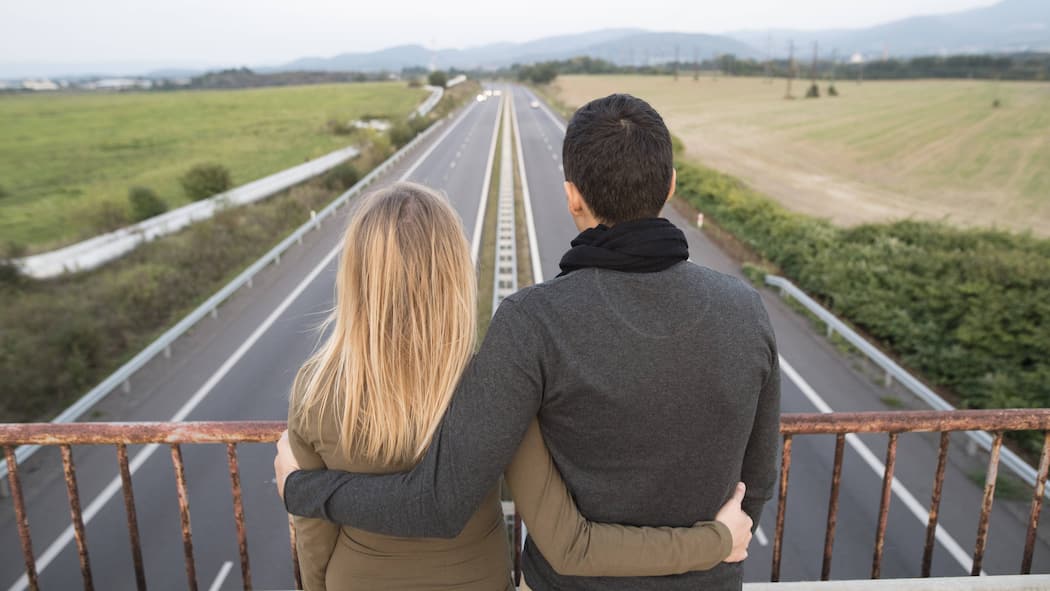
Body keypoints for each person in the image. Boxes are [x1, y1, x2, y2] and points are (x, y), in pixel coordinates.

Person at [276, 93, 781, 590]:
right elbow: (758, 478)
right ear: (670, 185)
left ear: (572, 196)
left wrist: (303, 490)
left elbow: (442, 501)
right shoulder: (746, 308)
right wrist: (718, 545)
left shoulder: (532, 322)